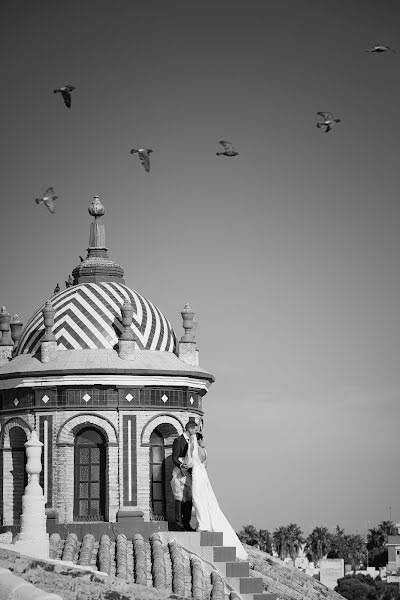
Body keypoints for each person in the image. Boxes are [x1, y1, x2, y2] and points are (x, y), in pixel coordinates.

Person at [186, 432, 248, 560]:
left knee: (198, 500)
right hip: (204, 476)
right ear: (200, 440)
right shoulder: (205, 451)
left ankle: (203, 525)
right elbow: (205, 464)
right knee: (206, 501)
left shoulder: (194, 449)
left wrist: (183, 464)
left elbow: (190, 463)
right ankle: (205, 524)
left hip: (197, 475)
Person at [171, 421, 198, 531]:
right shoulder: (178, 440)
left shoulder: (193, 441)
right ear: (190, 430)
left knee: (189, 498)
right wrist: (182, 465)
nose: (196, 433)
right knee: (179, 497)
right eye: (195, 430)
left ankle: (187, 523)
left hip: (189, 473)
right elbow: (174, 457)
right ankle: (179, 523)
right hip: (180, 471)